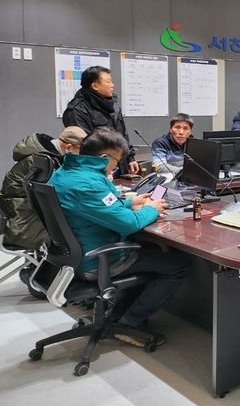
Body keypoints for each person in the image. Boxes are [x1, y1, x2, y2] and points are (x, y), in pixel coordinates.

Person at [48, 128, 189, 347]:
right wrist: (151, 208)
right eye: (116, 161)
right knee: (178, 266)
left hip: (71, 256)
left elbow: (94, 206)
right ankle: (132, 323)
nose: (116, 166)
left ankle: (117, 315)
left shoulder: (65, 173)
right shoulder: (89, 184)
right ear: (105, 157)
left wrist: (130, 203)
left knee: (150, 249)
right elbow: (129, 223)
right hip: (96, 260)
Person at [0, 127, 86, 250]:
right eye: (81, 153)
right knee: (82, 233)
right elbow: (59, 194)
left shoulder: (45, 156)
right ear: (68, 147)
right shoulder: (40, 161)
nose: (81, 157)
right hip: (22, 226)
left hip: (21, 217)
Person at [62, 65, 139, 175]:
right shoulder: (77, 110)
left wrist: (130, 158)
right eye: (108, 82)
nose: (112, 85)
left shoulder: (113, 106)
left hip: (119, 166)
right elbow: (83, 146)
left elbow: (122, 134)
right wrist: (101, 171)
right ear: (95, 86)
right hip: (96, 170)